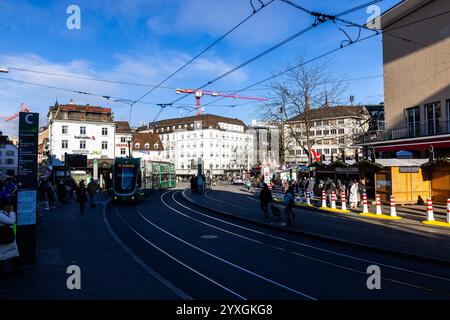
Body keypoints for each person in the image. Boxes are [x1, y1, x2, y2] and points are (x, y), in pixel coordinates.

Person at [0, 201, 21, 276]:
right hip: (6, 237)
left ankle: (5, 272)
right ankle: (14, 270)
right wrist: (12, 212)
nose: (10, 207)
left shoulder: (4, 213)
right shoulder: (1, 214)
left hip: (7, 237)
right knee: (9, 254)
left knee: (7, 254)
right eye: (9, 205)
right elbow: (11, 222)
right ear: (4, 206)